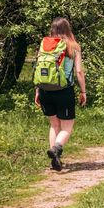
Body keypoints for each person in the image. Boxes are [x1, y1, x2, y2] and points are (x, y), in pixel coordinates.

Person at [35, 17, 87, 171]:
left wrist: (37, 90)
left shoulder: (44, 45)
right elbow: (78, 71)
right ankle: (56, 149)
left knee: (54, 124)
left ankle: (55, 159)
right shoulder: (73, 46)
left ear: (52, 29)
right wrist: (83, 91)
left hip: (45, 90)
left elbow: (39, 69)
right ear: (68, 29)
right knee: (67, 126)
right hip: (64, 91)